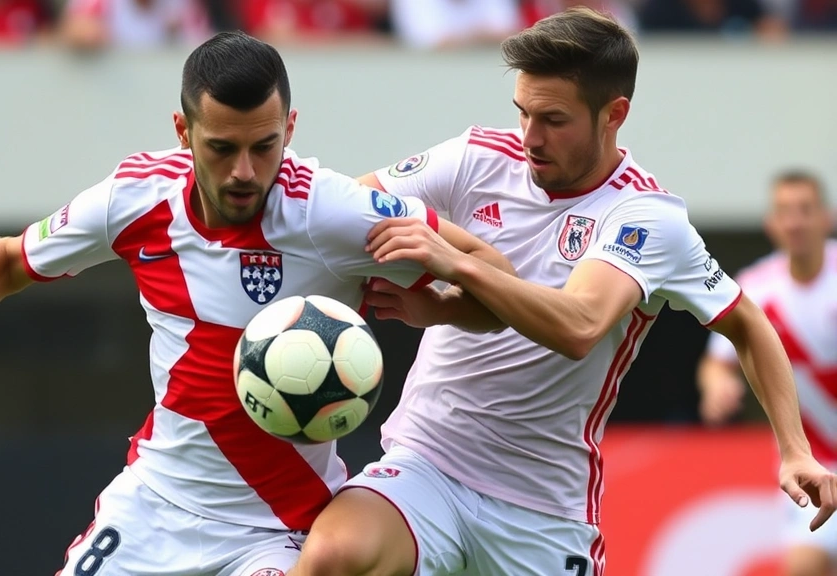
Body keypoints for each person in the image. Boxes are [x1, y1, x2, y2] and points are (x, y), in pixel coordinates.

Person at [0, 31, 512, 576]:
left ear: (290, 127)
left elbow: (496, 280)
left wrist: (445, 303)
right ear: (184, 131)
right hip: (155, 505)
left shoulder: (333, 211)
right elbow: (12, 263)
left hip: (278, 527)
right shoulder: (135, 198)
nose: (245, 171)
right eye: (222, 148)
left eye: (265, 146)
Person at [289, 8, 837, 576]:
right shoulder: (474, 158)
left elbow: (583, 325)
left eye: (553, 119)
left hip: (544, 513)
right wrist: (447, 291)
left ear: (613, 115)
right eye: (522, 113)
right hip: (427, 464)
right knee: (332, 557)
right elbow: (343, 211)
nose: (530, 137)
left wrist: (795, 448)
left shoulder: (644, 216)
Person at [698, 171, 837, 576]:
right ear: (771, 224)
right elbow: (716, 362)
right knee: (804, 567)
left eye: (805, 211)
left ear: (826, 218)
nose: (795, 221)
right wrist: (716, 385)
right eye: (785, 212)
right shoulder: (756, 289)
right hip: (815, 464)